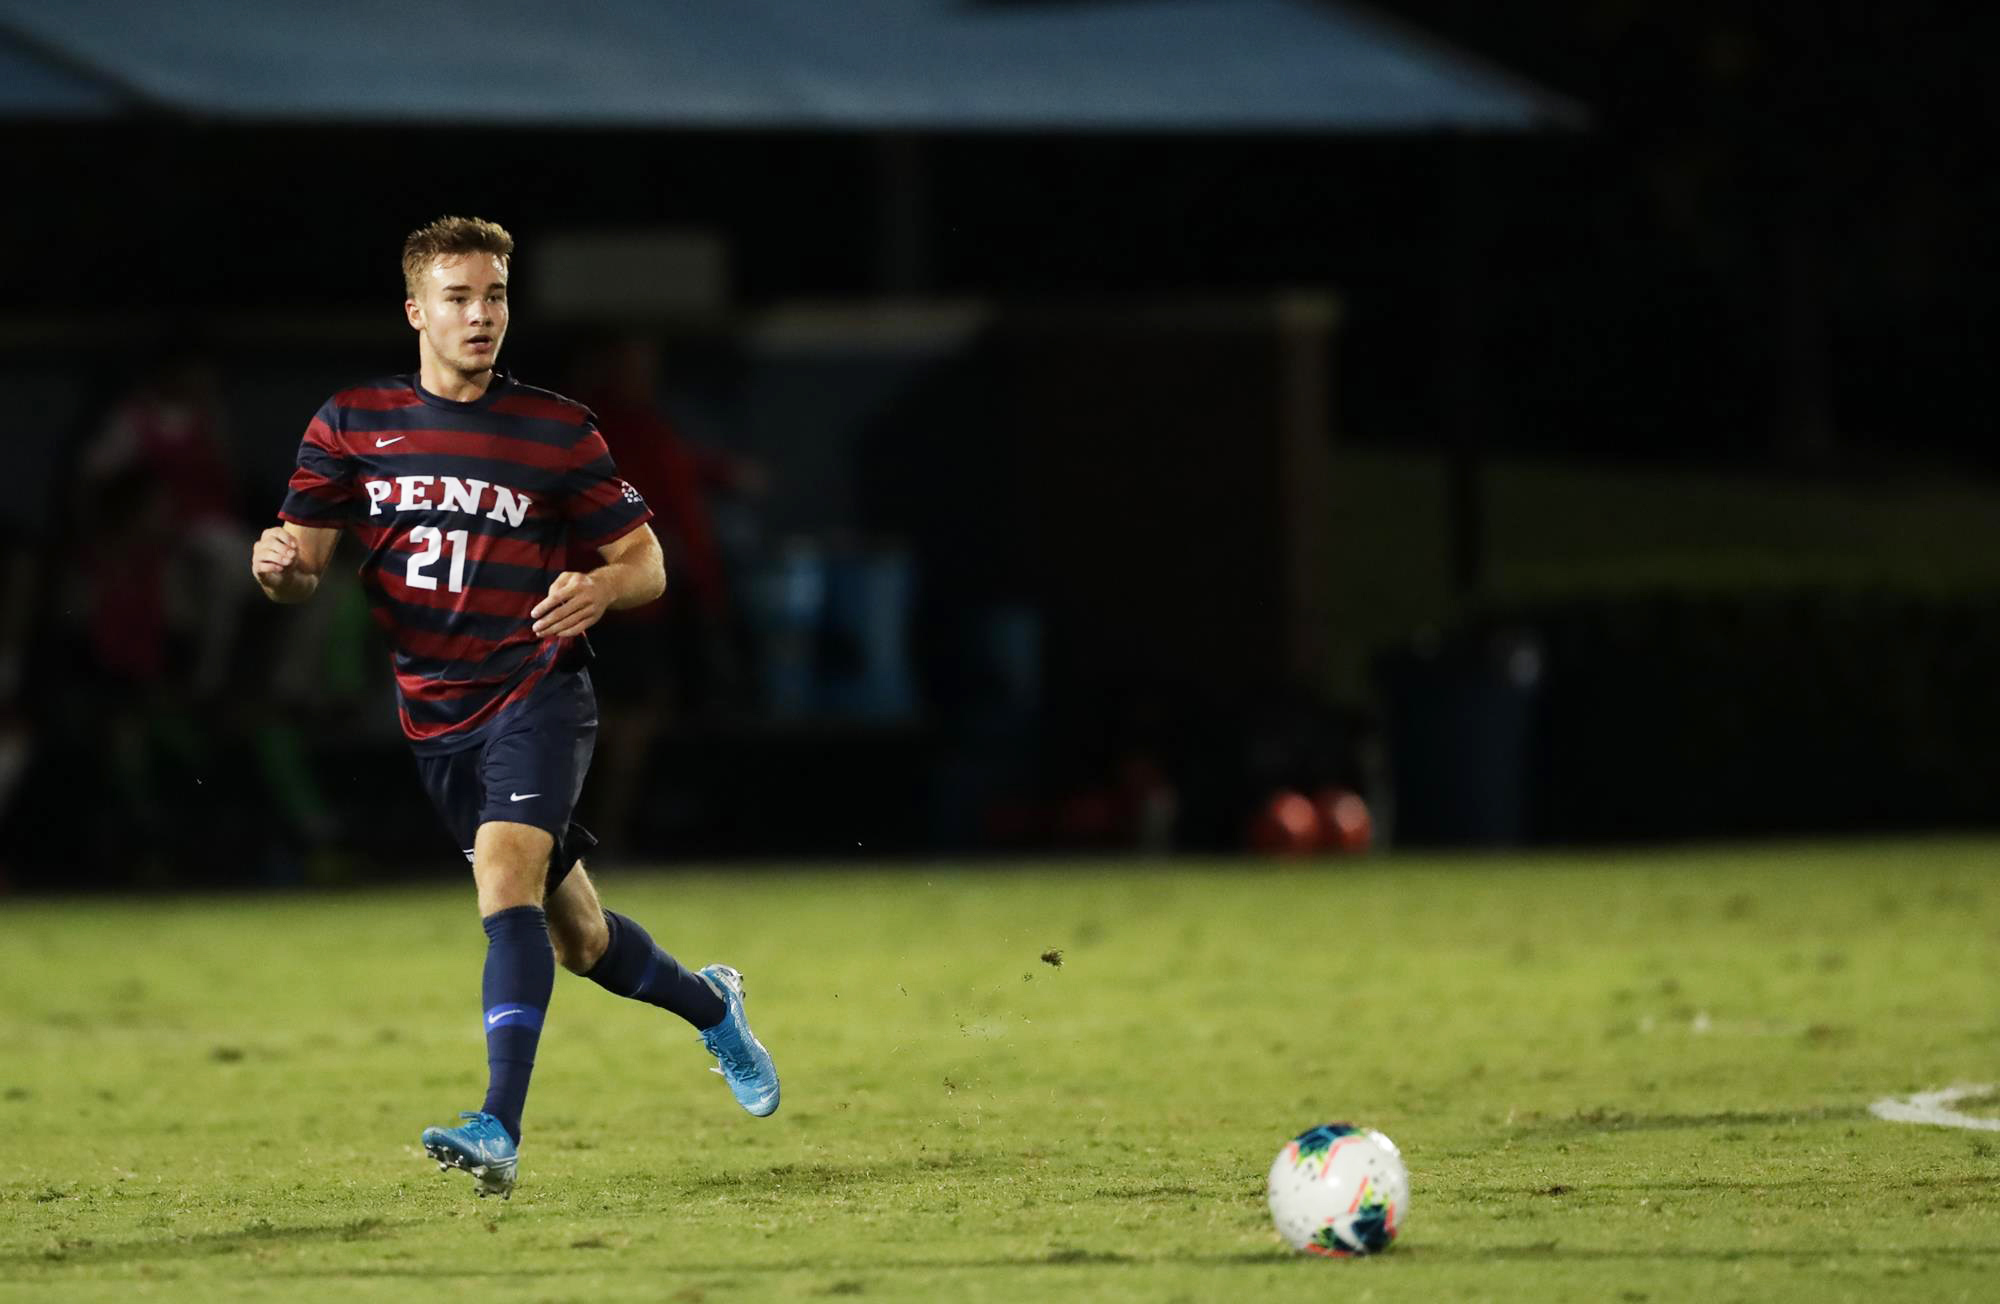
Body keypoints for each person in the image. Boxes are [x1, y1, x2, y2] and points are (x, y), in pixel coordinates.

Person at [249, 216, 779, 1199]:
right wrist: (272, 563)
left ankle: (498, 1123)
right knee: (574, 936)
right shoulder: (349, 423)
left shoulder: (557, 427)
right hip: (434, 718)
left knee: (505, 880)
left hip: (537, 690)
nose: (480, 314)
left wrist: (600, 589)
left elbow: (648, 563)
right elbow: (298, 567)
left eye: (494, 295)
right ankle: (711, 1005)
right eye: (457, 298)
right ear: (416, 311)